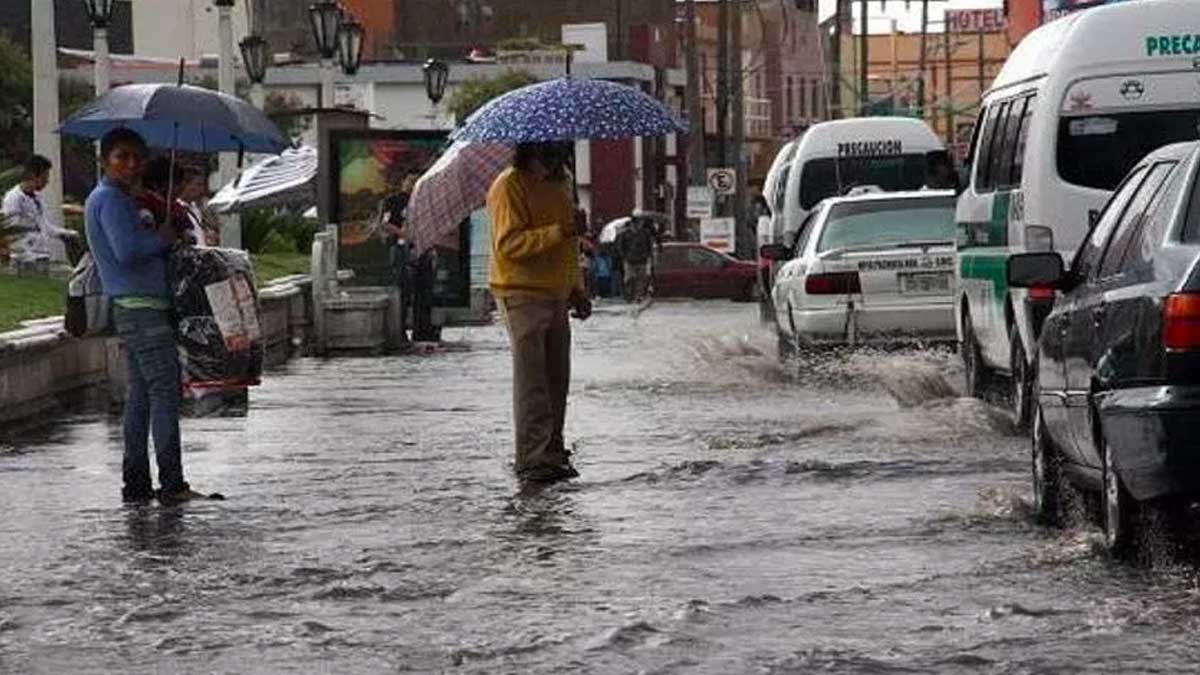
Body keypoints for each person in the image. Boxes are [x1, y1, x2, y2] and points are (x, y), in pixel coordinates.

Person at [84, 129, 209, 505]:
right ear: (105, 160)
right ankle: (172, 484)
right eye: (122, 157)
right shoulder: (110, 200)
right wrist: (163, 238)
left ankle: (136, 484)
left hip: (140, 307)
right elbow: (127, 251)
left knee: (140, 398)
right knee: (165, 394)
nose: (131, 164)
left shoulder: (118, 198)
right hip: (142, 309)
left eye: (137, 157)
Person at [486, 141, 592, 483]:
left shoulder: (563, 181)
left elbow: (568, 245)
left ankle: (553, 448)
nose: (561, 154)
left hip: (557, 291)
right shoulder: (509, 185)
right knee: (533, 381)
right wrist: (560, 230)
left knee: (556, 378)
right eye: (554, 148)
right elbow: (509, 244)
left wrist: (577, 287)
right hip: (520, 291)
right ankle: (533, 457)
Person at [1, 154, 81, 274]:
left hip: (41, 254)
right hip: (24, 258)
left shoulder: (37, 198)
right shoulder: (13, 198)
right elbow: (11, 230)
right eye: (44, 178)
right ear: (33, 176)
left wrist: (67, 233)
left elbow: (44, 226)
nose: (47, 182)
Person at [616, 215, 662, 303]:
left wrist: (649, 255)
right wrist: (624, 256)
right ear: (633, 224)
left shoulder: (645, 233)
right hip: (629, 260)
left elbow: (649, 245)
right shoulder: (625, 234)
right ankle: (629, 296)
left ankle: (638, 296)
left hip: (642, 260)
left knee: (641, 279)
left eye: (640, 223)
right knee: (629, 279)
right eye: (637, 223)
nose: (639, 225)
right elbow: (620, 246)